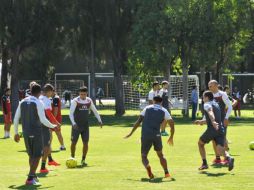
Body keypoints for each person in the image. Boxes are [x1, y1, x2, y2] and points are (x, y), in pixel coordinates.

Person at [13, 84, 58, 186]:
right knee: (37, 156)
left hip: (25, 132)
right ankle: (30, 178)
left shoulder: (22, 101)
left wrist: (16, 133)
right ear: (39, 92)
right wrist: (53, 126)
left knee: (31, 155)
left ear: (30, 91)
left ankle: (33, 176)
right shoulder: (39, 102)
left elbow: (15, 119)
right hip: (36, 132)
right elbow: (43, 120)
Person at [125, 96, 175, 179]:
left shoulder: (147, 108)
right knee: (161, 155)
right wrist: (171, 136)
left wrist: (131, 133)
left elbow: (138, 121)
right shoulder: (164, 110)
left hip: (146, 135)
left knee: (144, 156)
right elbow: (172, 124)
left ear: (153, 101)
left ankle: (148, 168)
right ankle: (166, 173)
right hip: (157, 135)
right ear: (161, 102)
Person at [194, 91, 234, 171]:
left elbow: (210, 112)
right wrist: (201, 122)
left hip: (212, 129)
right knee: (219, 148)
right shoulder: (217, 104)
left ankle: (204, 164)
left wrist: (212, 121)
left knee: (200, 143)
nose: (202, 98)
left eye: (203, 97)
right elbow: (212, 116)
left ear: (207, 97)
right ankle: (229, 158)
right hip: (220, 129)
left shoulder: (207, 104)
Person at [69, 86, 103, 166]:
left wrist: (99, 120)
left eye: (84, 94)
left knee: (86, 143)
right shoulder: (75, 101)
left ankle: (83, 160)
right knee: (74, 142)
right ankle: (72, 157)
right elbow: (70, 113)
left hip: (85, 126)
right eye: (81, 94)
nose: (83, 96)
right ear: (79, 93)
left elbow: (95, 110)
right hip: (76, 126)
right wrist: (73, 123)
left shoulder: (89, 100)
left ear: (86, 93)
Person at [208, 80, 232, 164]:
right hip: (213, 121)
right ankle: (218, 158)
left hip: (222, 120)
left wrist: (226, 118)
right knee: (213, 139)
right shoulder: (209, 95)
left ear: (216, 86)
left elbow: (230, 107)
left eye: (211, 86)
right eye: (209, 86)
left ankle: (226, 158)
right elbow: (208, 109)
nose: (209, 87)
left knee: (223, 139)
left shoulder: (222, 94)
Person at [39, 84, 61, 173]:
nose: (52, 93)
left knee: (47, 143)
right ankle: (43, 167)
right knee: (46, 145)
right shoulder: (47, 100)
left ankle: (50, 160)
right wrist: (55, 123)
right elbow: (48, 113)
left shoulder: (39, 98)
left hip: (37, 124)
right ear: (48, 91)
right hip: (44, 124)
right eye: (52, 91)